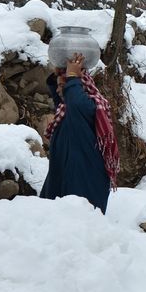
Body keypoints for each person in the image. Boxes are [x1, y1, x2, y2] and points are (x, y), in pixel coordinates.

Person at [39, 53, 119, 213]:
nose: (60, 90)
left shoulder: (88, 106)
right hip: (66, 176)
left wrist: (73, 76)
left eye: (64, 86)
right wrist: (59, 77)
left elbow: (75, 100)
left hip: (84, 180)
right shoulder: (66, 111)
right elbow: (65, 99)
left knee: (77, 226)